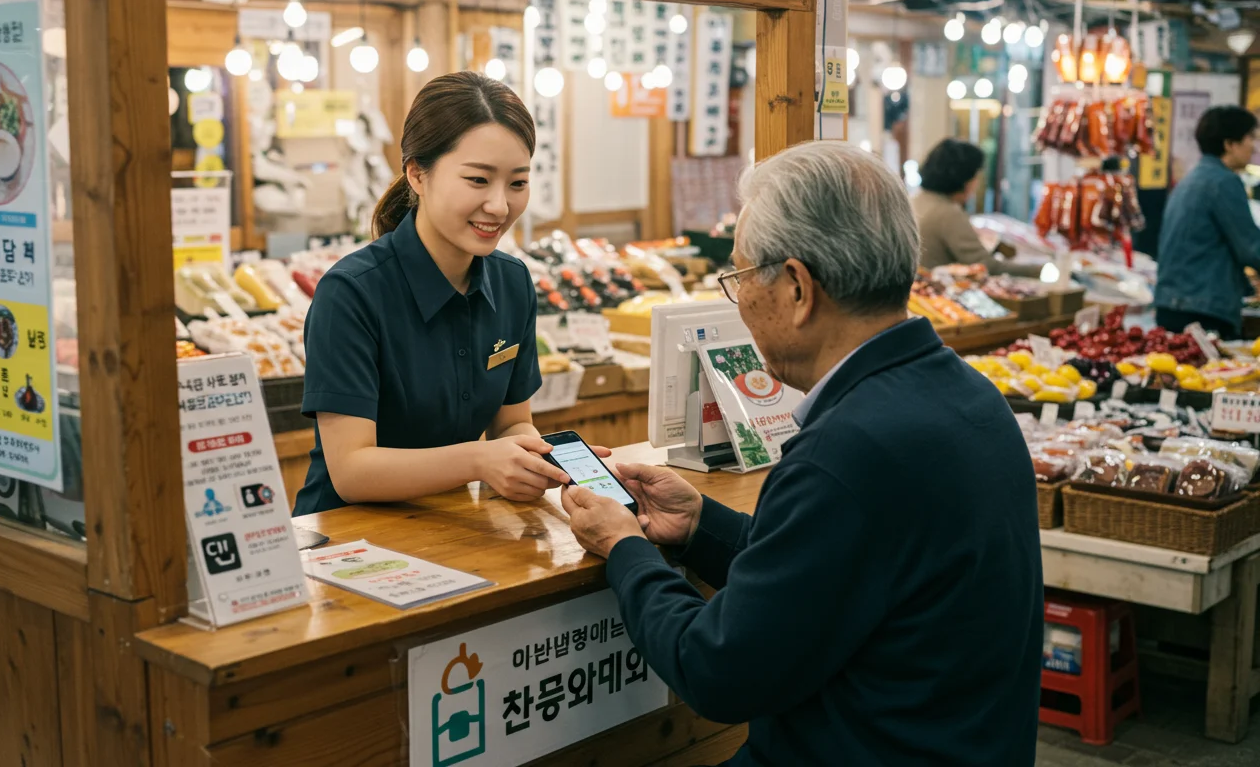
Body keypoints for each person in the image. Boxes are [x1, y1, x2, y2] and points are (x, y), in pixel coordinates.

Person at [561, 142, 1044, 765]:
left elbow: (717, 669)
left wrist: (624, 547)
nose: (738, 301)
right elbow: (828, 574)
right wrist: (702, 526)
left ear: (796, 286)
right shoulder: (968, 395)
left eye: (737, 278)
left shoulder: (848, 451)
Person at [295, 72, 587, 516]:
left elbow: (511, 421)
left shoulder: (512, 283)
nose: (499, 205)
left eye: (517, 183)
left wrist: (530, 461)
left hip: (454, 523)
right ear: (417, 174)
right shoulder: (351, 293)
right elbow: (351, 471)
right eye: (477, 180)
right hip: (347, 539)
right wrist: (479, 460)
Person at [1154, 105, 1260, 340]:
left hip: (1172, 305)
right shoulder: (1223, 182)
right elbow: (1251, 247)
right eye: (1250, 138)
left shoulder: (1191, 179)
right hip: (1204, 310)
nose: (1254, 146)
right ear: (1230, 144)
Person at [913, 138, 1041, 277]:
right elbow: (985, 266)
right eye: (976, 176)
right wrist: (1039, 270)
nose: (977, 184)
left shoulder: (914, 200)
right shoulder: (947, 213)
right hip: (935, 293)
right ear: (964, 179)